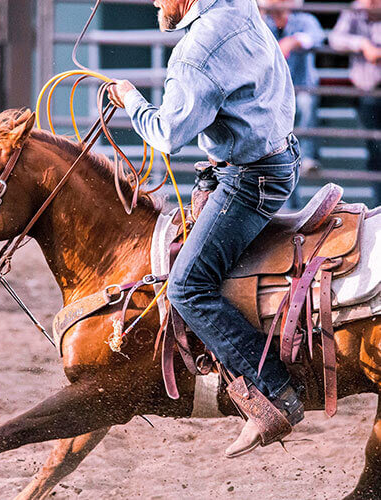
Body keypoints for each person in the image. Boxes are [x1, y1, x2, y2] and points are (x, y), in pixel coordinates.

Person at [108, 0, 304, 457]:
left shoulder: (195, 53)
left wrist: (132, 101)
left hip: (248, 180)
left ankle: (274, 392)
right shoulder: (238, 5)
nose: (155, 2)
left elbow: (168, 134)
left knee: (187, 287)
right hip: (277, 157)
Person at [262, 0, 325, 178]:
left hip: (301, 85)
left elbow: (317, 36)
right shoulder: (261, 21)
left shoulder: (304, 19)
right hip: (273, 90)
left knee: (305, 103)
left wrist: (293, 40)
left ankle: (308, 157)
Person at [329, 0, 381, 207]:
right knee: (376, 151)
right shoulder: (354, 11)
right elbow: (335, 39)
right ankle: (380, 206)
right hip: (367, 90)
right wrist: (362, 44)